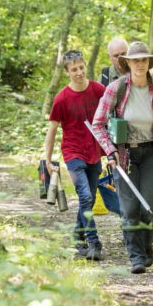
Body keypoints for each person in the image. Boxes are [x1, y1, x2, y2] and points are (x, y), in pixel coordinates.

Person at [91, 41, 153, 274]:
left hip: (152, 154)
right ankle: (136, 256)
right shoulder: (116, 89)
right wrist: (110, 150)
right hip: (124, 156)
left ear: (148, 63)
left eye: (144, 60)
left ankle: (145, 246)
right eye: (135, 60)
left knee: (151, 206)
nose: (140, 64)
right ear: (128, 63)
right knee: (129, 208)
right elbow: (97, 124)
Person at [44, 50, 106, 261]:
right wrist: (48, 159)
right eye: (74, 70)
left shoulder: (98, 90)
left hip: (95, 152)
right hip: (73, 153)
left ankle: (77, 238)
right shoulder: (62, 98)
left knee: (87, 199)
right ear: (67, 72)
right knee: (86, 197)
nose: (79, 73)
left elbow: (112, 112)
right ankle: (94, 242)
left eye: (81, 68)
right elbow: (52, 130)